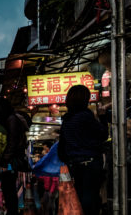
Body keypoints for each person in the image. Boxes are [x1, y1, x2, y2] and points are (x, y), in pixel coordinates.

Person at [58, 85, 109, 215]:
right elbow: (103, 135)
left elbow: (62, 146)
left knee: (80, 196)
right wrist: (102, 117)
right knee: (90, 197)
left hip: (74, 163)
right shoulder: (86, 116)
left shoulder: (67, 119)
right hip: (90, 162)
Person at [0, 100, 31, 215]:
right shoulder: (15, 119)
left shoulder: (11, 120)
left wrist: (5, 159)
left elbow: (12, 142)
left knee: (9, 189)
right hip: (14, 159)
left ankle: (12, 212)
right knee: (10, 189)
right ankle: (12, 211)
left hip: (11, 161)